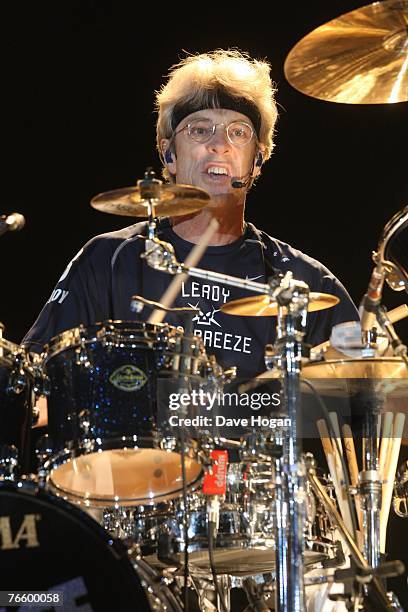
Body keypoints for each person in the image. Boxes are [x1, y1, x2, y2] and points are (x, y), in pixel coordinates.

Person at [23, 49, 358, 382]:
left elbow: (371, 397)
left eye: (238, 132)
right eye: (200, 130)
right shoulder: (110, 260)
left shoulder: (304, 281)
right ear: (169, 154)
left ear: (257, 160)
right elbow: (34, 385)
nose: (220, 145)